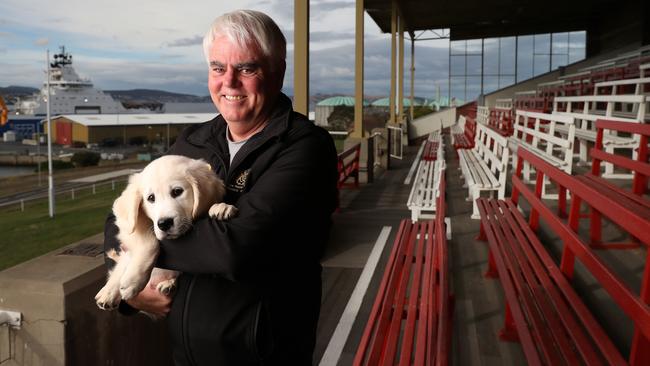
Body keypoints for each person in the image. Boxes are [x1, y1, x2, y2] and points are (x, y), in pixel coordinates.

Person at [103, 9, 339, 365]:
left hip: (263, 355)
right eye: (218, 68)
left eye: (246, 68)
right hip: (186, 353)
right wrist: (134, 288)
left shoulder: (305, 147)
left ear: (277, 70)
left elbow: (235, 248)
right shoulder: (194, 140)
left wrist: (143, 256)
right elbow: (119, 218)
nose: (229, 82)